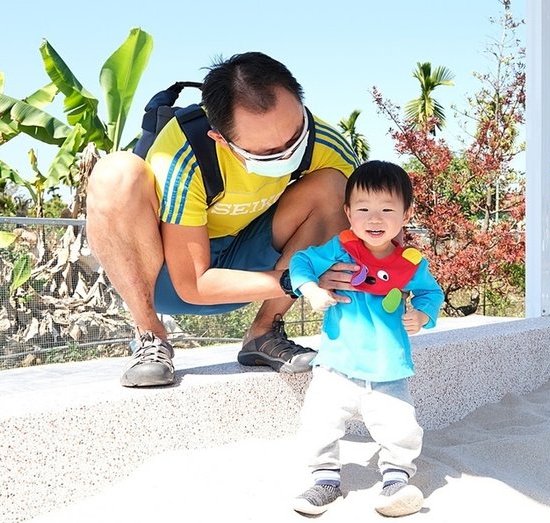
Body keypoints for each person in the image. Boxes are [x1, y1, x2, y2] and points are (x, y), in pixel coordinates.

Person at [86, 52, 361, 387]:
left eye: (294, 138)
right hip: (167, 277)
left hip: (251, 266)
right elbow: (194, 285)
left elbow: (371, 224)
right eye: (266, 153)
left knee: (337, 188)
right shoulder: (183, 152)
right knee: (114, 173)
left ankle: (264, 333)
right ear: (221, 139)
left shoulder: (325, 141)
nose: (288, 155)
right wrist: (296, 280)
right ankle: (150, 337)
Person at [288, 160, 444, 518]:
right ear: (348, 212)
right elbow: (301, 262)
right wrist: (311, 289)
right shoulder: (340, 249)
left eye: (387, 209)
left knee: (400, 427)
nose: (375, 219)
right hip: (336, 364)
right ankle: (324, 481)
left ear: (406, 214)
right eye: (363, 209)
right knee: (319, 422)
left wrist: (421, 314)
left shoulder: (411, 264)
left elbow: (431, 294)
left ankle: (395, 480)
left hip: (388, 367)